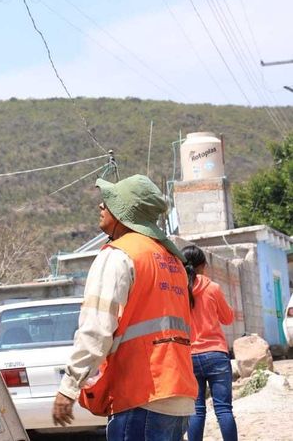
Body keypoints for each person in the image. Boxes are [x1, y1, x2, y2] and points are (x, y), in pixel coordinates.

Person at [52, 175, 198, 440]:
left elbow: (96, 329)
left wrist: (69, 387)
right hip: (178, 394)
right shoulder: (172, 260)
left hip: (141, 395)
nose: (101, 206)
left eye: (108, 202)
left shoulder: (119, 255)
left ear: (124, 212)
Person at [182, 244, 237, 441]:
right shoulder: (213, 288)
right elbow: (228, 318)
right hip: (216, 355)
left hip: (188, 357)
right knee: (223, 409)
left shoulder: (177, 292)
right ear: (203, 265)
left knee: (196, 410)